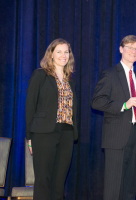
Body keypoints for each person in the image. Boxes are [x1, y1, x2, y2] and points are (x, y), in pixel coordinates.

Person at [91, 35, 136, 200]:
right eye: (129, 47)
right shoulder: (109, 74)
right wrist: (124, 105)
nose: (133, 51)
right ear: (121, 49)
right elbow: (96, 102)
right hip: (116, 137)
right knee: (113, 189)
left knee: (130, 189)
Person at [25, 38, 78, 200]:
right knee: (43, 180)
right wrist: (29, 137)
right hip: (43, 133)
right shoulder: (40, 75)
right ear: (51, 55)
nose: (63, 55)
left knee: (59, 182)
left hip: (67, 133)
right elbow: (30, 107)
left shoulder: (71, 80)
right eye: (59, 52)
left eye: (66, 52)